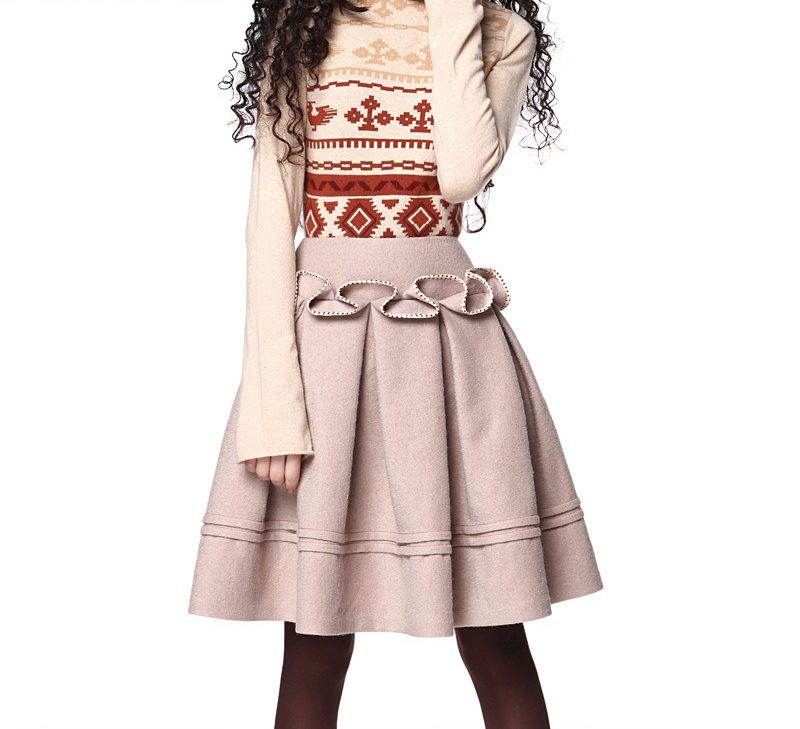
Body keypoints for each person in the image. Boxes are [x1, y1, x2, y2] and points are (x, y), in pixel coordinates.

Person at [189, 0, 603, 726]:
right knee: (313, 643)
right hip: (325, 357)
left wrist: (453, 13)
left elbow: (461, 175)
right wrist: (271, 408)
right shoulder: (302, 34)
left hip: (452, 360)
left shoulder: (500, 35)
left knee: (495, 633)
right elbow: (268, 218)